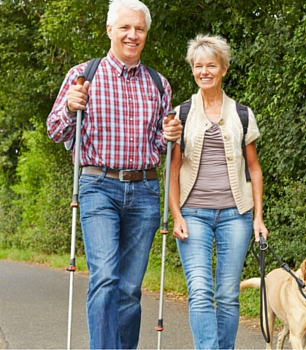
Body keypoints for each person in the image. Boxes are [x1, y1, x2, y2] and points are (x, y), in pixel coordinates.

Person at [46, 0, 182, 348]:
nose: (132, 35)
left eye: (138, 29)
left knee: (129, 289)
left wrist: (169, 137)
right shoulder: (84, 75)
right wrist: (69, 107)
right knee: (105, 277)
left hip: (145, 189)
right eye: (125, 27)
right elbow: (56, 131)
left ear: (146, 35)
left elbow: (160, 144)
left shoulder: (158, 83)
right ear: (110, 30)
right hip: (97, 186)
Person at [168, 34, 268, 350]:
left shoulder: (242, 114)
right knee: (199, 290)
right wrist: (176, 214)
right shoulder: (180, 114)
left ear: (223, 68)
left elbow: (254, 169)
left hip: (235, 216)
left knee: (227, 293)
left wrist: (258, 218)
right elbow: (171, 173)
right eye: (198, 66)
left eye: (211, 65)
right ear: (193, 70)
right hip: (192, 214)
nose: (204, 71)